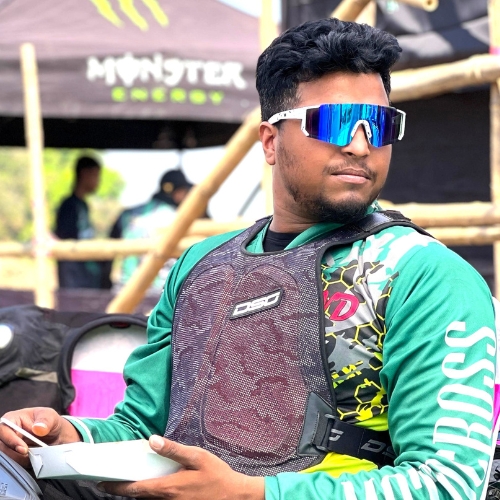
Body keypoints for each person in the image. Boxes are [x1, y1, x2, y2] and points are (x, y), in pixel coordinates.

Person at [1, 18, 498, 500]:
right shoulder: (199, 267)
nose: (360, 144)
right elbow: (141, 429)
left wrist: (250, 494)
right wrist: (68, 437)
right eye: (335, 122)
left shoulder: (424, 275)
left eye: (381, 124)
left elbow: (447, 483)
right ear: (270, 141)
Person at [107, 169, 193, 292]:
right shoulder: (177, 218)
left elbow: (108, 252)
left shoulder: (127, 214)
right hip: (157, 293)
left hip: (122, 290)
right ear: (179, 193)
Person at [54, 155, 108, 289]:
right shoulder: (69, 206)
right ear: (84, 174)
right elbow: (65, 240)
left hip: (87, 276)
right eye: (96, 175)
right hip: (74, 278)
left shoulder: (83, 205)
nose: (98, 181)